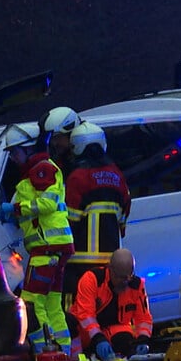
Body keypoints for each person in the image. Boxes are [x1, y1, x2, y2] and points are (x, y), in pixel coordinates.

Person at [0, 125, 75, 355]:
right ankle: (63, 354)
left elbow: (46, 204)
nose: (12, 157)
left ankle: (43, 353)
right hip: (52, 249)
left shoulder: (41, 170)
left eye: (15, 152)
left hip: (47, 249)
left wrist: (14, 208)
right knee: (52, 305)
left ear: (28, 148)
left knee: (30, 304)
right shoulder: (36, 172)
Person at [64, 121, 130, 303]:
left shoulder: (77, 177)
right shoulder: (117, 174)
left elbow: (70, 221)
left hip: (79, 264)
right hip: (112, 262)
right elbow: (124, 214)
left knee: (77, 311)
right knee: (107, 307)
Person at [69, 248, 152, 361]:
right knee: (70, 323)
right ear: (110, 269)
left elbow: (144, 319)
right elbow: (85, 315)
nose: (126, 282)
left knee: (126, 339)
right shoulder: (92, 279)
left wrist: (142, 339)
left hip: (112, 330)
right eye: (122, 278)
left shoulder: (137, 286)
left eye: (129, 277)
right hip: (85, 333)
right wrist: (98, 338)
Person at [39, 106, 81, 174]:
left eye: (57, 137)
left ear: (71, 133)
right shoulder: (57, 159)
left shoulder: (89, 164)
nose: (54, 143)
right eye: (51, 138)